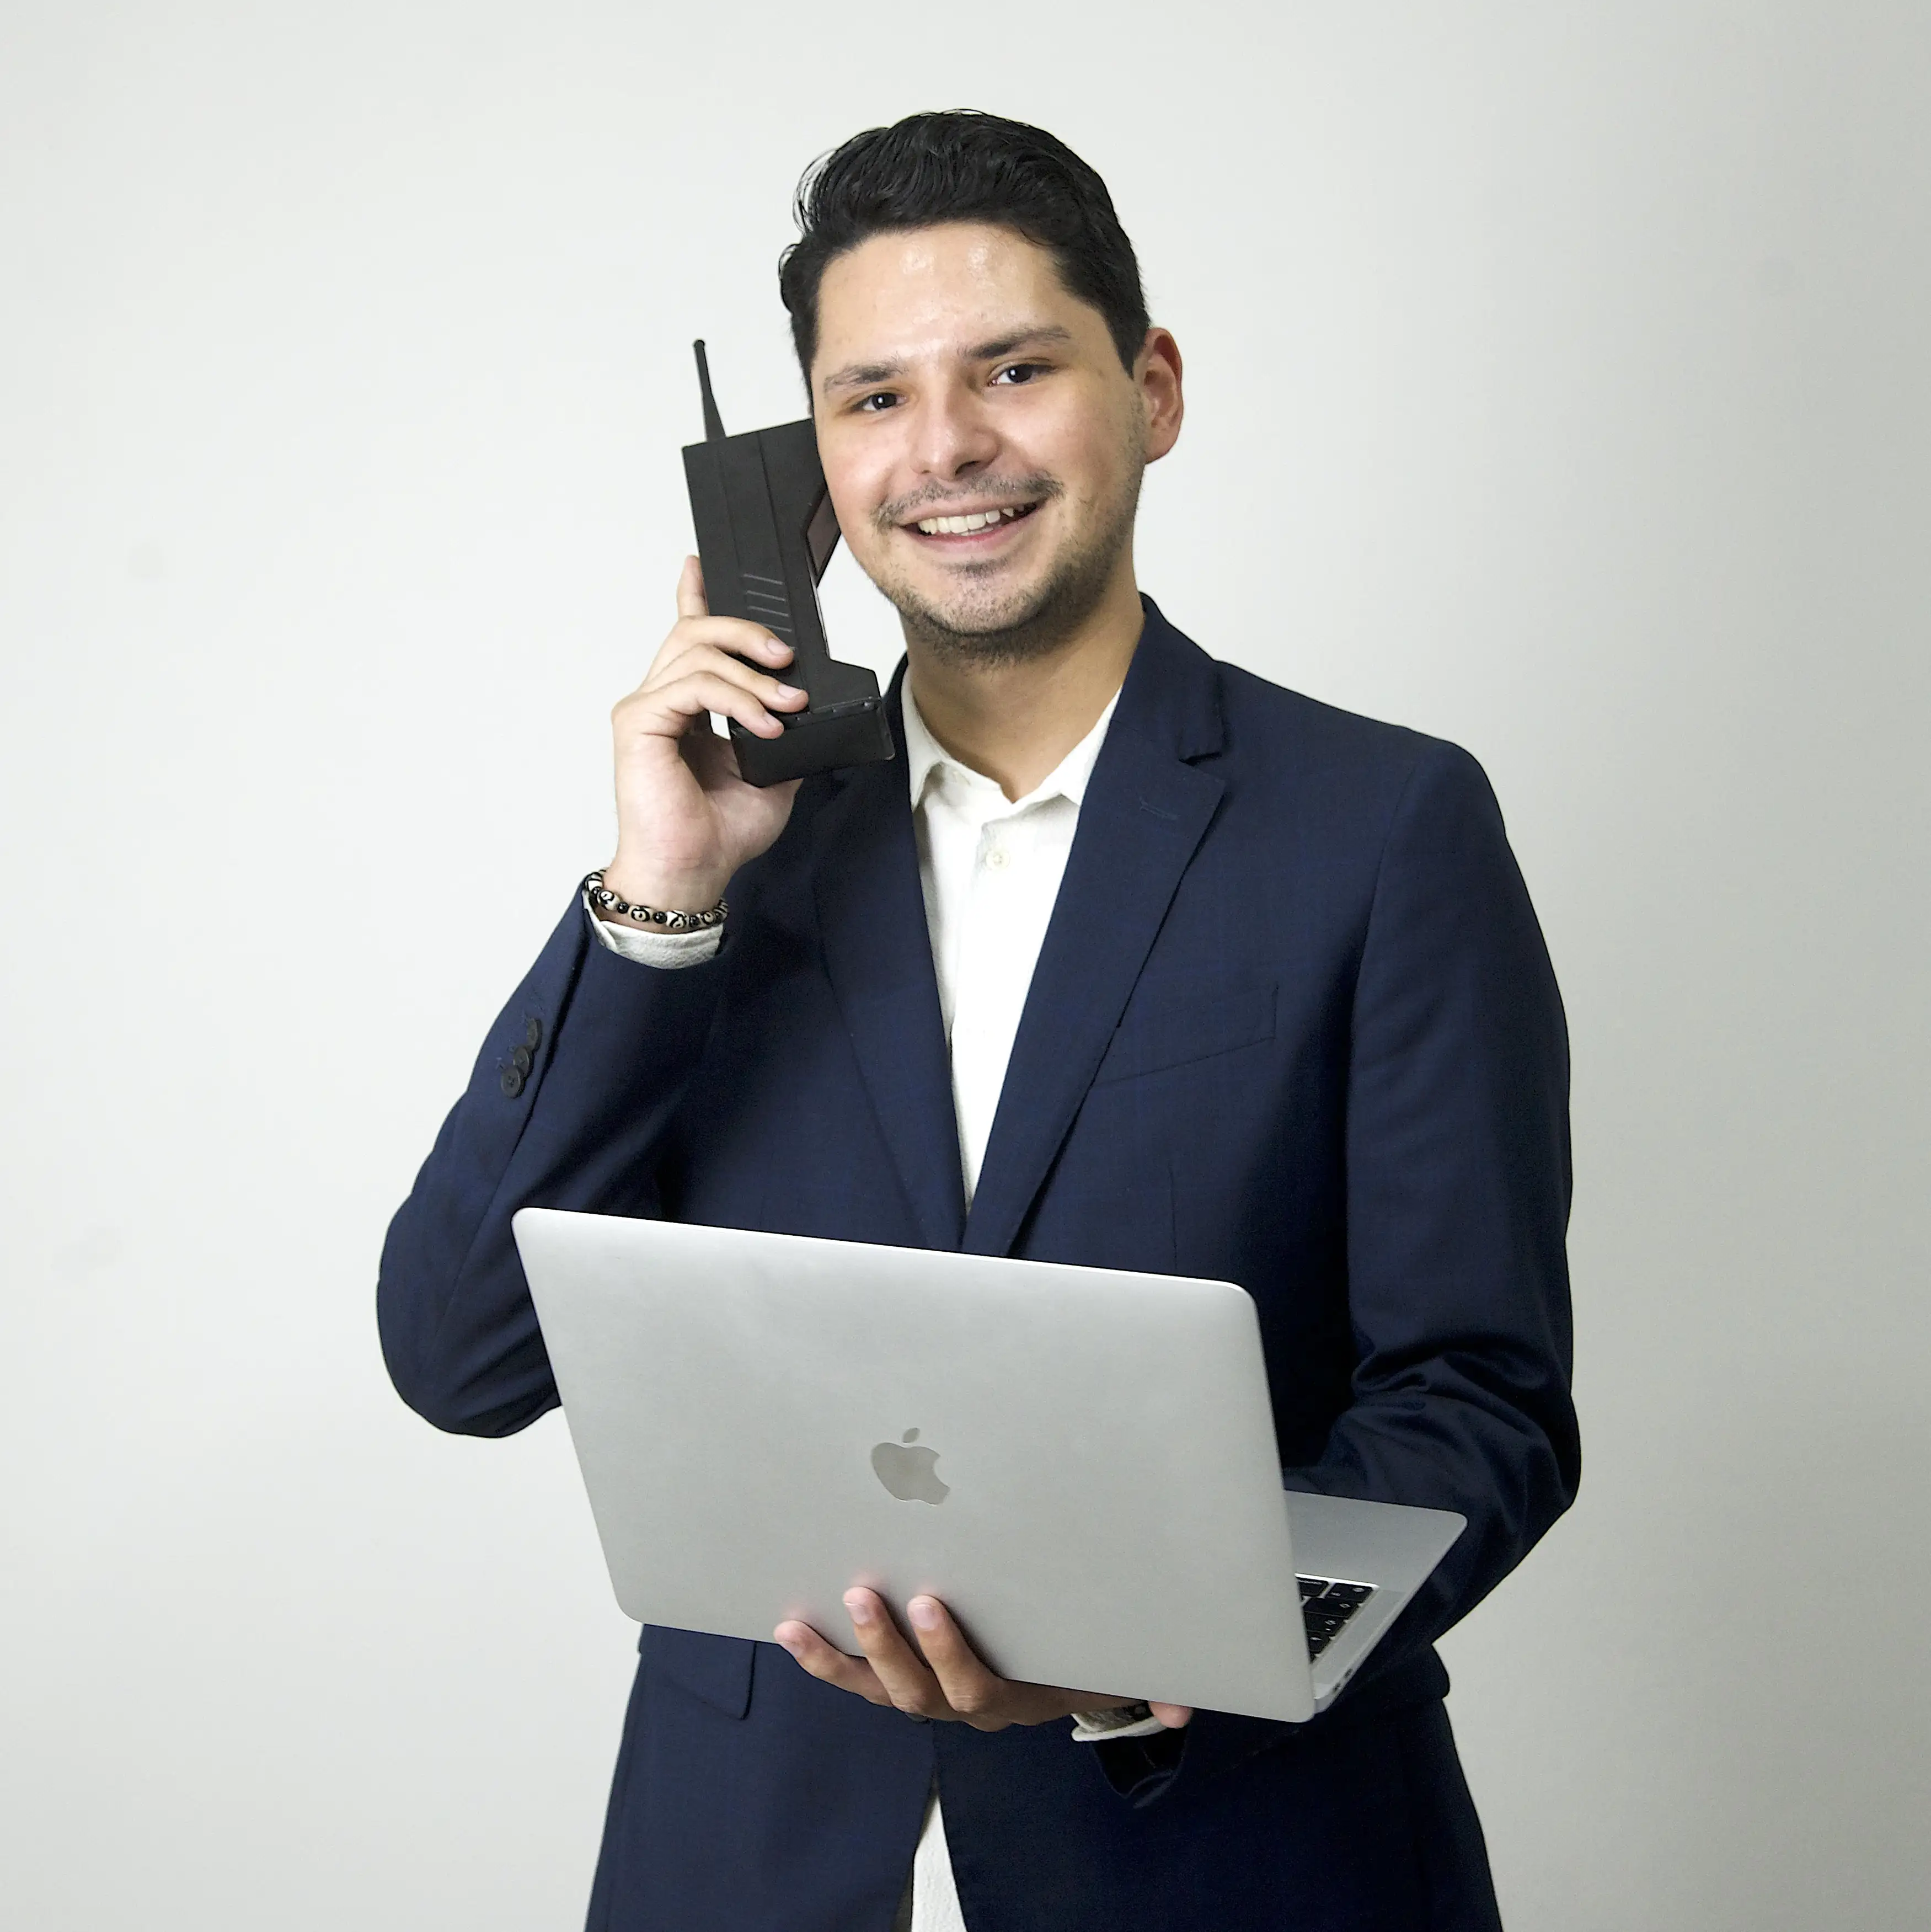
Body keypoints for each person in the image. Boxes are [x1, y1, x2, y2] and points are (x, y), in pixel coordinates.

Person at [379, 110, 1579, 1932]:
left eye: (1012, 370)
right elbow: (459, 1354)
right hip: (748, 1864)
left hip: (1233, 1863)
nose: (942, 447)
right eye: (871, 397)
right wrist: (660, 898)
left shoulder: (1383, 827)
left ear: (1149, 390)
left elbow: (1478, 1406)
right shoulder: (726, 859)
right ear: (806, 465)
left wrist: (1146, 1659)